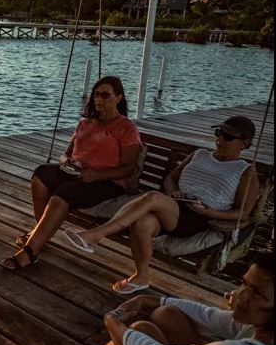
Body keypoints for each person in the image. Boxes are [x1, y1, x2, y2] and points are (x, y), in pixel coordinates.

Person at [64, 116, 260, 294]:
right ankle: (141, 277)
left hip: (197, 217)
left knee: (152, 197)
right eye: (219, 132)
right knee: (143, 223)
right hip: (175, 205)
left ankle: (95, 236)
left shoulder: (245, 171)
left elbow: (243, 213)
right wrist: (174, 191)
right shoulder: (199, 154)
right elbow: (170, 179)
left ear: (244, 143)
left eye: (228, 137)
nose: (220, 139)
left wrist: (210, 211)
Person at [54, 253, 274, 345]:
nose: (241, 296)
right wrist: (152, 301)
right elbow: (211, 316)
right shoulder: (260, 331)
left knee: (139, 332)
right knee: (165, 315)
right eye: (245, 283)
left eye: (258, 293)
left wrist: (114, 324)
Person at [0, 76, 141, 270]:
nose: (99, 99)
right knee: (40, 174)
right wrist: (66, 162)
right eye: (96, 95)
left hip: (108, 182)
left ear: (118, 97)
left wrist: (96, 175)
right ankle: (39, 233)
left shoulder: (126, 128)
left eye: (105, 95)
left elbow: (129, 168)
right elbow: (65, 155)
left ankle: (30, 252)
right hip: (77, 173)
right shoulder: (86, 124)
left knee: (63, 193)